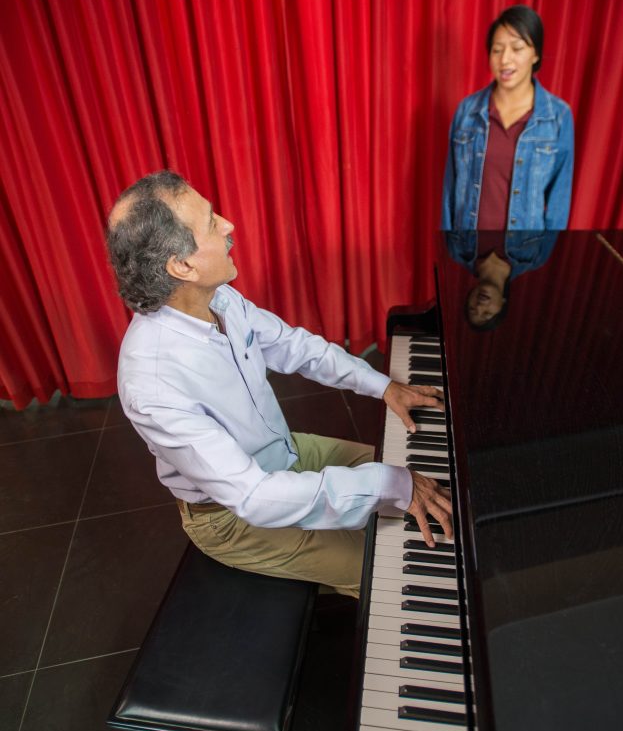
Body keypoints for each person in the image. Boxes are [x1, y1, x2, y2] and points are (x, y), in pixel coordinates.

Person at [106, 171, 452, 598]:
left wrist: (382, 386)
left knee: (428, 477)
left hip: (287, 452)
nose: (229, 224)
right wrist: (388, 486)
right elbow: (253, 496)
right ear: (182, 266)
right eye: (213, 221)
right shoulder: (152, 383)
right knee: (395, 571)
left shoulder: (216, 298)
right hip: (233, 518)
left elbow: (294, 346)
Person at [441, 5, 574, 233]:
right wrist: (449, 252)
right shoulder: (467, 111)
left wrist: (540, 261)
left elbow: (558, 206)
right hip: (468, 253)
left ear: (536, 54)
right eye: (497, 49)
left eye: (517, 48)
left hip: (524, 258)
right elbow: (449, 192)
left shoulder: (558, 117)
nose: (505, 59)